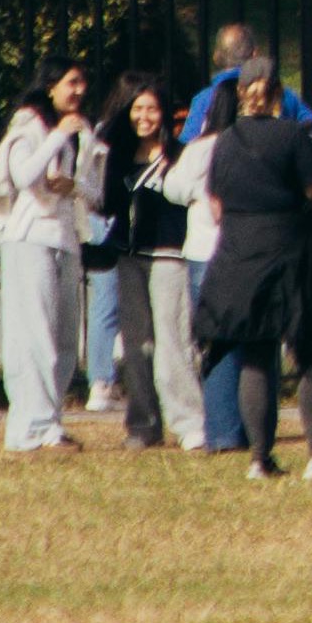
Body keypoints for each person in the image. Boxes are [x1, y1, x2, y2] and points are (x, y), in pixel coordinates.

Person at [189, 53, 312, 481]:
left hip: (240, 254)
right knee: (310, 353)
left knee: (256, 358)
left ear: (240, 94)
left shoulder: (224, 142)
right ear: (279, 92)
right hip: (291, 251)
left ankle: (260, 457)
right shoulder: (292, 136)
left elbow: (217, 203)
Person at [0, 63, 106, 455]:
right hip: (29, 239)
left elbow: (94, 192)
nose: (79, 90)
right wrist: (57, 138)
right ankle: (31, 429)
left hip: (65, 239)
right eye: (72, 82)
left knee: (64, 338)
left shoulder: (79, 131)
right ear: (50, 86)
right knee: (34, 338)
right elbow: (23, 176)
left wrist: (77, 184)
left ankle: (50, 423)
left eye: (83, 82)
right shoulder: (28, 127)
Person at [105, 77, 192, 447]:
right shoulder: (118, 157)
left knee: (174, 342)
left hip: (170, 255)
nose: (144, 117)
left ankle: (190, 423)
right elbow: (105, 202)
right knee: (137, 344)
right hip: (129, 257)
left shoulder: (181, 156)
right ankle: (142, 424)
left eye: (152, 109)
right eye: (137, 109)